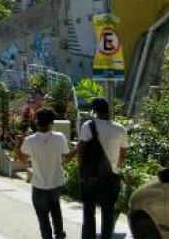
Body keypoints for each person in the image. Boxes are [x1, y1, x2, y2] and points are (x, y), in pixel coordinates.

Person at [78, 97, 129, 239]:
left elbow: (81, 150)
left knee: (89, 212)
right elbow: (123, 154)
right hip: (111, 177)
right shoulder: (121, 129)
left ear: (94, 110)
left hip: (90, 177)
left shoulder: (88, 125)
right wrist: (115, 167)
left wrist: (81, 171)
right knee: (108, 213)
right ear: (108, 109)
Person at [19, 109, 74, 239]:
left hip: (39, 185)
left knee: (43, 216)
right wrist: (78, 149)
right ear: (51, 123)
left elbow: (22, 160)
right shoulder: (60, 137)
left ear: (37, 122)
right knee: (55, 209)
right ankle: (59, 234)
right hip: (56, 183)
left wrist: (17, 144)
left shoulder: (30, 140)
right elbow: (67, 157)